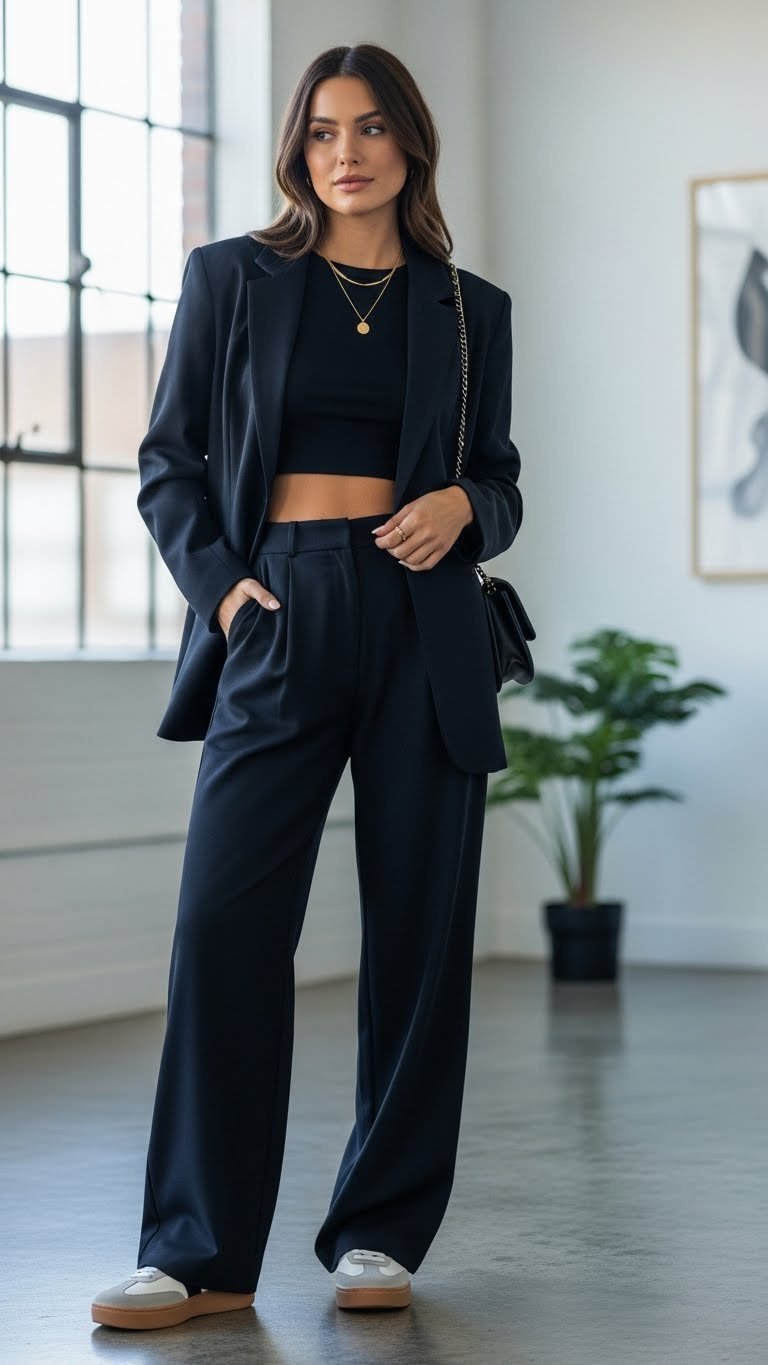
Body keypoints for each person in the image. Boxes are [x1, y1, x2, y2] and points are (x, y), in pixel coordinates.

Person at [91, 41, 523, 1332]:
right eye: (326, 131)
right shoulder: (232, 279)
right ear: (297, 150)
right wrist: (227, 591)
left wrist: (464, 506)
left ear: (411, 145)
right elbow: (168, 461)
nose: (348, 152)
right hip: (275, 610)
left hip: (421, 621)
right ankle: (196, 1251)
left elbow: (501, 478)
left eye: (373, 127)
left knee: (417, 939)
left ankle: (381, 1230)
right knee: (223, 926)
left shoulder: (469, 308)